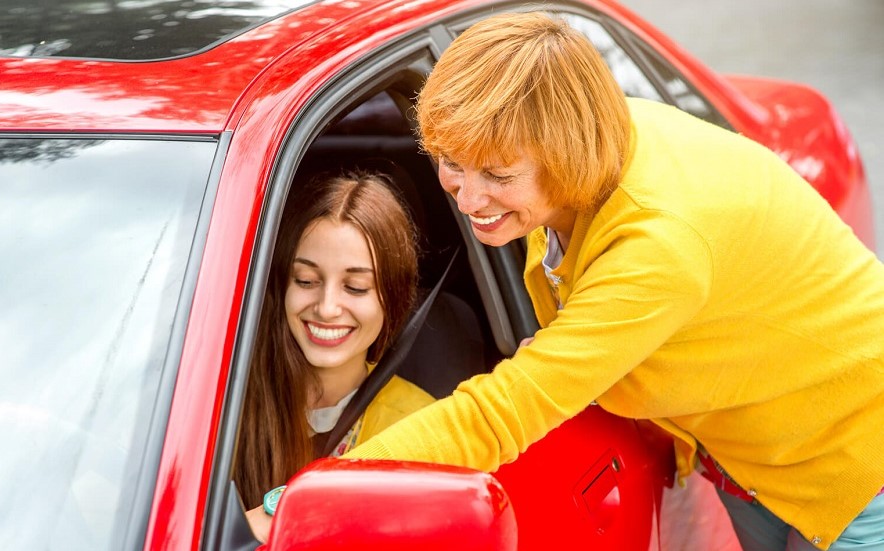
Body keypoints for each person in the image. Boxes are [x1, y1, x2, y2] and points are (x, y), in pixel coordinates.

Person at [342, 12, 884, 551]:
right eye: (450, 162)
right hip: (750, 455)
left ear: (566, 156)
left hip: (851, 464)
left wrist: (331, 488)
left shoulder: (658, 243)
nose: (467, 198)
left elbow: (502, 412)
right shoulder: (590, 142)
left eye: (498, 176)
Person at [235, 171, 434, 535]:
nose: (327, 308)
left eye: (355, 287)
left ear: (393, 298)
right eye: (306, 281)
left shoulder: (422, 423)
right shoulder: (227, 405)